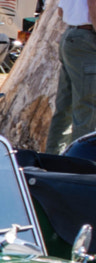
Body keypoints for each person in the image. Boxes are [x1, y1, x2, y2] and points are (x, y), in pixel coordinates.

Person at [52, 0, 96, 154]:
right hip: (87, 37)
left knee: (65, 107)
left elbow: (61, 11)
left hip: (72, 36)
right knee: (87, 108)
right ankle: (83, 165)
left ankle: (53, 158)